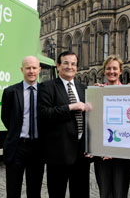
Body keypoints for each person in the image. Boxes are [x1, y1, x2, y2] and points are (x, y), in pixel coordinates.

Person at [37, 51, 90, 198]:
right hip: (58, 154)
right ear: (58, 65)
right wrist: (70, 107)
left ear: (77, 67)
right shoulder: (47, 87)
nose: (70, 67)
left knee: (80, 192)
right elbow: (43, 114)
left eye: (73, 64)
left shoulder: (84, 88)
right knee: (57, 193)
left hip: (81, 154)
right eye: (66, 63)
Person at [1, 56, 44, 198]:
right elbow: (5, 118)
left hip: (38, 149)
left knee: (34, 191)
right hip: (16, 147)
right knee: (13, 191)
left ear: (39, 70)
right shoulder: (10, 92)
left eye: (34, 68)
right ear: (22, 69)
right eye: (28, 68)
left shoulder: (46, 92)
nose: (31, 71)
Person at [93, 55, 130, 198]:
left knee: (120, 193)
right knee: (104, 193)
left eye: (115, 68)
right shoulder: (96, 93)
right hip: (102, 153)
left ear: (121, 71)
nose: (111, 71)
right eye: (108, 68)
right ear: (104, 71)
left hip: (122, 154)